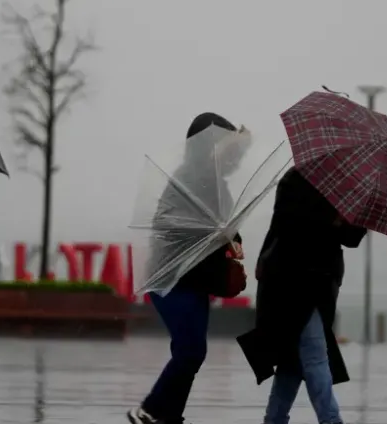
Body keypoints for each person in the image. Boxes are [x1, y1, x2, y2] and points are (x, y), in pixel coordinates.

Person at [127, 112, 248, 424]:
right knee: (190, 352)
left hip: (195, 279)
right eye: (224, 145)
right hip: (172, 278)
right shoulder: (187, 180)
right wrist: (210, 231)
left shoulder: (218, 184)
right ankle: (150, 411)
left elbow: (227, 228)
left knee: (192, 352)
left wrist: (233, 239)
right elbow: (165, 223)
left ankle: (169, 416)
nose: (231, 154)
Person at [237, 167, 367, 424]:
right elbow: (290, 223)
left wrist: (353, 218)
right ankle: (331, 420)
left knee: (292, 360)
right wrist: (333, 217)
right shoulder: (296, 178)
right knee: (314, 353)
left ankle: (274, 419)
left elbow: (351, 239)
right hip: (290, 281)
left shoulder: (349, 187)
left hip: (322, 284)